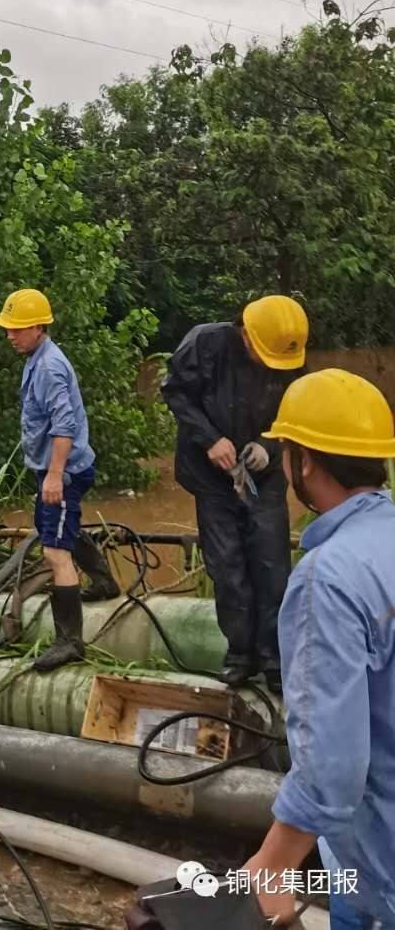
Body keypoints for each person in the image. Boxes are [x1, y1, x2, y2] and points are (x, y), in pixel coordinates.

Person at [240, 368, 395, 929]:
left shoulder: (327, 578)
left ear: (302, 461)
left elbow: (333, 765)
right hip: (355, 860)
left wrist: (275, 865)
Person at [162, 294, 309, 691]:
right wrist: (210, 439)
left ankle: (275, 659)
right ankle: (241, 655)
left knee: (272, 566)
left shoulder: (288, 356)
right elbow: (175, 393)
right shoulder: (205, 343)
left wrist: (269, 445)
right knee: (227, 568)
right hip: (212, 477)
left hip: (265, 476)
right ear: (247, 334)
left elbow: (295, 411)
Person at [0, 288, 119, 671]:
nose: (10, 336)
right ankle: (104, 583)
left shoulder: (49, 367)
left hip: (63, 472)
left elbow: (64, 426)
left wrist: (54, 476)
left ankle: (69, 641)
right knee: (62, 529)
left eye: (17, 329)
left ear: (38, 327)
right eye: (8, 329)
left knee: (54, 550)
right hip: (55, 469)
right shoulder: (37, 359)